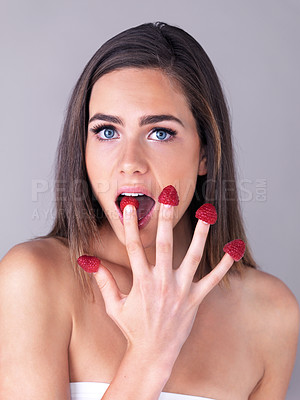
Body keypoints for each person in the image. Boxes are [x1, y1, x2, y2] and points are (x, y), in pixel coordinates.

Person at [0, 22, 298, 400]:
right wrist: (151, 353)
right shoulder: (34, 278)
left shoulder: (272, 313)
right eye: (107, 131)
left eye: (160, 132)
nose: (129, 162)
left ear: (205, 152)